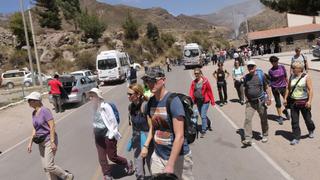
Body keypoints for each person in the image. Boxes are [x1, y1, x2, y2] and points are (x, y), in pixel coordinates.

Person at [142, 67, 194, 180]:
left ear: (163, 80)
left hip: (179, 158)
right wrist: (146, 146)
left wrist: (170, 164)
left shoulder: (173, 101)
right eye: (147, 81)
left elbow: (179, 136)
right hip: (158, 156)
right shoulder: (150, 102)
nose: (150, 84)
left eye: (153, 80)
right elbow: (153, 127)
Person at [25, 91, 74, 180]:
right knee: (45, 167)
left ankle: (67, 176)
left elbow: (52, 126)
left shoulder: (45, 111)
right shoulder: (33, 113)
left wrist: (52, 142)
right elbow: (34, 129)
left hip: (49, 140)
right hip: (40, 142)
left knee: (49, 165)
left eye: (30, 100)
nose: (28, 102)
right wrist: (30, 143)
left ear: (37, 101)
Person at [88, 88, 134, 180]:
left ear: (98, 97)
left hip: (108, 134)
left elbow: (113, 122)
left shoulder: (106, 107)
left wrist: (111, 135)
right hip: (98, 135)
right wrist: (94, 130)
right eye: (90, 96)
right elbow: (95, 120)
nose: (90, 98)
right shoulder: (93, 107)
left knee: (112, 157)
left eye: (92, 96)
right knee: (101, 157)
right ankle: (107, 175)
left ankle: (127, 163)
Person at [283, 61, 315, 145]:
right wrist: (285, 99)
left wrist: (309, 101)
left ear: (300, 69)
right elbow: (288, 88)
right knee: (294, 121)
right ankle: (296, 137)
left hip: (304, 102)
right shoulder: (291, 76)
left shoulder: (306, 77)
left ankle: (311, 129)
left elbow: (310, 90)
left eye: (294, 68)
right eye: (292, 68)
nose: (292, 69)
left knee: (308, 120)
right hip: (294, 102)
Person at [242, 60, 272, 146]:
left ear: (255, 67)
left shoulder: (260, 75)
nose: (250, 68)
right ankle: (248, 138)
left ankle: (265, 134)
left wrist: (269, 99)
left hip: (261, 101)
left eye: (252, 66)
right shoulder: (246, 77)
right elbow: (245, 88)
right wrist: (246, 98)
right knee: (247, 119)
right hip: (250, 103)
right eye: (249, 66)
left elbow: (267, 87)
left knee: (263, 118)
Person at [127, 84, 153, 180]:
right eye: (128, 94)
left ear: (138, 94)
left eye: (130, 94)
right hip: (137, 138)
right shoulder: (130, 107)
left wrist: (146, 145)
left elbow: (152, 128)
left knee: (151, 165)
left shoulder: (145, 106)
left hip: (147, 138)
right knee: (138, 168)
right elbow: (133, 126)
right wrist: (133, 140)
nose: (128, 96)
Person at [189, 68, 215, 137]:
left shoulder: (205, 81)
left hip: (205, 101)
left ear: (200, 73)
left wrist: (212, 100)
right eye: (195, 73)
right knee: (202, 115)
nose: (196, 75)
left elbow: (209, 91)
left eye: (197, 73)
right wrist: (190, 100)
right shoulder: (193, 82)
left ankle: (203, 130)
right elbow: (191, 92)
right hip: (198, 101)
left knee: (203, 115)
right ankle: (209, 123)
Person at [268, 56, 290, 125]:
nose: (276, 63)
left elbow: (285, 76)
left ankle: (285, 111)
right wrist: (271, 87)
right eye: (274, 62)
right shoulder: (270, 71)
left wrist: (288, 84)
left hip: (283, 87)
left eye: (277, 61)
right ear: (272, 63)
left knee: (287, 101)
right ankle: (280, 117)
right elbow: (270, 81)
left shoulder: (282, 67)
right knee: (278, 103)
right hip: (275, 88)